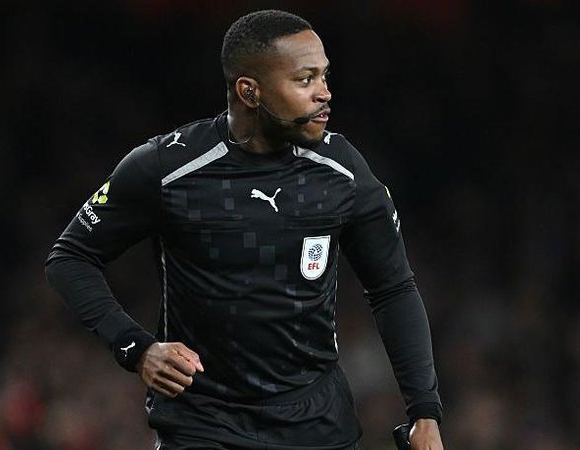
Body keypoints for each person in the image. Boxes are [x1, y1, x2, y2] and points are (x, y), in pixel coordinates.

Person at [45, 9, 443, 450]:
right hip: (204, 427)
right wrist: (136, 349)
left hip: (318, 429)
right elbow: (70, 258)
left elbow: (393, 289)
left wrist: (424, 412)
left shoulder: (342, 171)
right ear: (249, 91)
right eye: (305, 80)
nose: (325, 94)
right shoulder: (168, 168)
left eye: (325, 77)